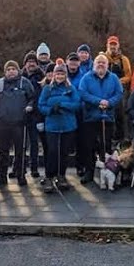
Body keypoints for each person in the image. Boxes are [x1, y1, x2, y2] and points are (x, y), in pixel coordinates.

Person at [73, 53, 119, 185]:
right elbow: (83, 93)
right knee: (89, 146)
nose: (100, 64)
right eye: (98, 62)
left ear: (107, 65)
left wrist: (109, 103)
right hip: (90, 117)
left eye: (103, 62)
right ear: (94, 64)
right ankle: (89, 171)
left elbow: (119, 93)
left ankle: (108, 172)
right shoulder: (86, 78)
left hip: (108, 117)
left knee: (106, 145)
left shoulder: (114, 78)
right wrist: (98, 101)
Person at [0, 60, 37, 187]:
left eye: (13, 69)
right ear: (5, 72)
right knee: (3, 152)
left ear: (18, 70)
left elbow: (32, 98)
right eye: (8, 69)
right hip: (3, 123)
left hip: (20, 123)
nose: (11, 72)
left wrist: (29, 106)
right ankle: (2, 176)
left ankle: (21, 174)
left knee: (20, 151)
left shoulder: (25, 83)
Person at [38, 63, 81, 193]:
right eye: (58, 74)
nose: (60, 76)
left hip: (68, 125)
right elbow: (41, 105)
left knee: (64, 152)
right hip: (52, 126)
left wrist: (62, 105)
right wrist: (51, 109)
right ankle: (49, 177)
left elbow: (77, 104)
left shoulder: (71, 88)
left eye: (62, 74)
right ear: (54, 75)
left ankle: (61, 175)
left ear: (65, 75)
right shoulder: (47, 89)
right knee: (52, 152)